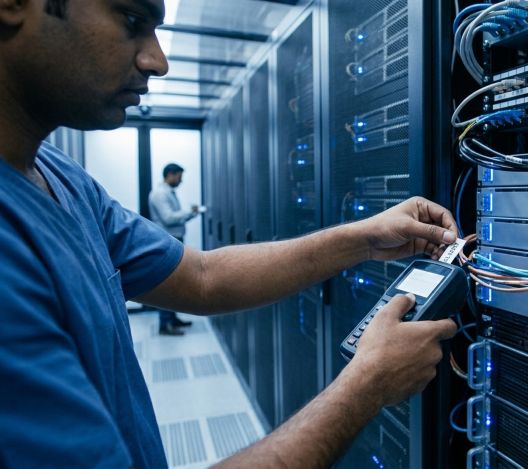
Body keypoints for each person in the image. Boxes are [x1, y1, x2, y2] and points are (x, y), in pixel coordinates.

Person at [0, 0, 457, 467]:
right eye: (132, 20)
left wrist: (365, 237)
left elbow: (203, 276)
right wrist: (368, 383)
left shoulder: (61, 178)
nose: (158, 61)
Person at [148, 162, 198, 335]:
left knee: (175, 281)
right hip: (166, 241)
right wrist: (188, 212)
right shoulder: (159, 194)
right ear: (170, 174)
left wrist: (190, 214)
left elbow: (175, 218)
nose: (180, 180)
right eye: (179, 176)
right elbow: (168, 218)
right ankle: (165, 324)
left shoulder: (168, 192)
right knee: (166, 282)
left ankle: (172, 318)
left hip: (173, 240)